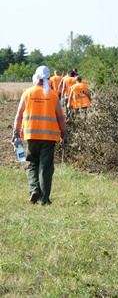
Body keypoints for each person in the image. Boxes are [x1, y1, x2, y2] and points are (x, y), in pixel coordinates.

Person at [12, 65, 68, 205]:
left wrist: (15, 133)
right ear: (48, 78)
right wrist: (64, 135)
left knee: (31, 163)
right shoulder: (53, 94)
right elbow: (60, 117)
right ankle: (44, 199)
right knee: (46, 167)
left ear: (36, 77)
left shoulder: (27, 93)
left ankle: (34, 189)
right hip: (49, 138)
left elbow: (18, 116)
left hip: (31, 136)